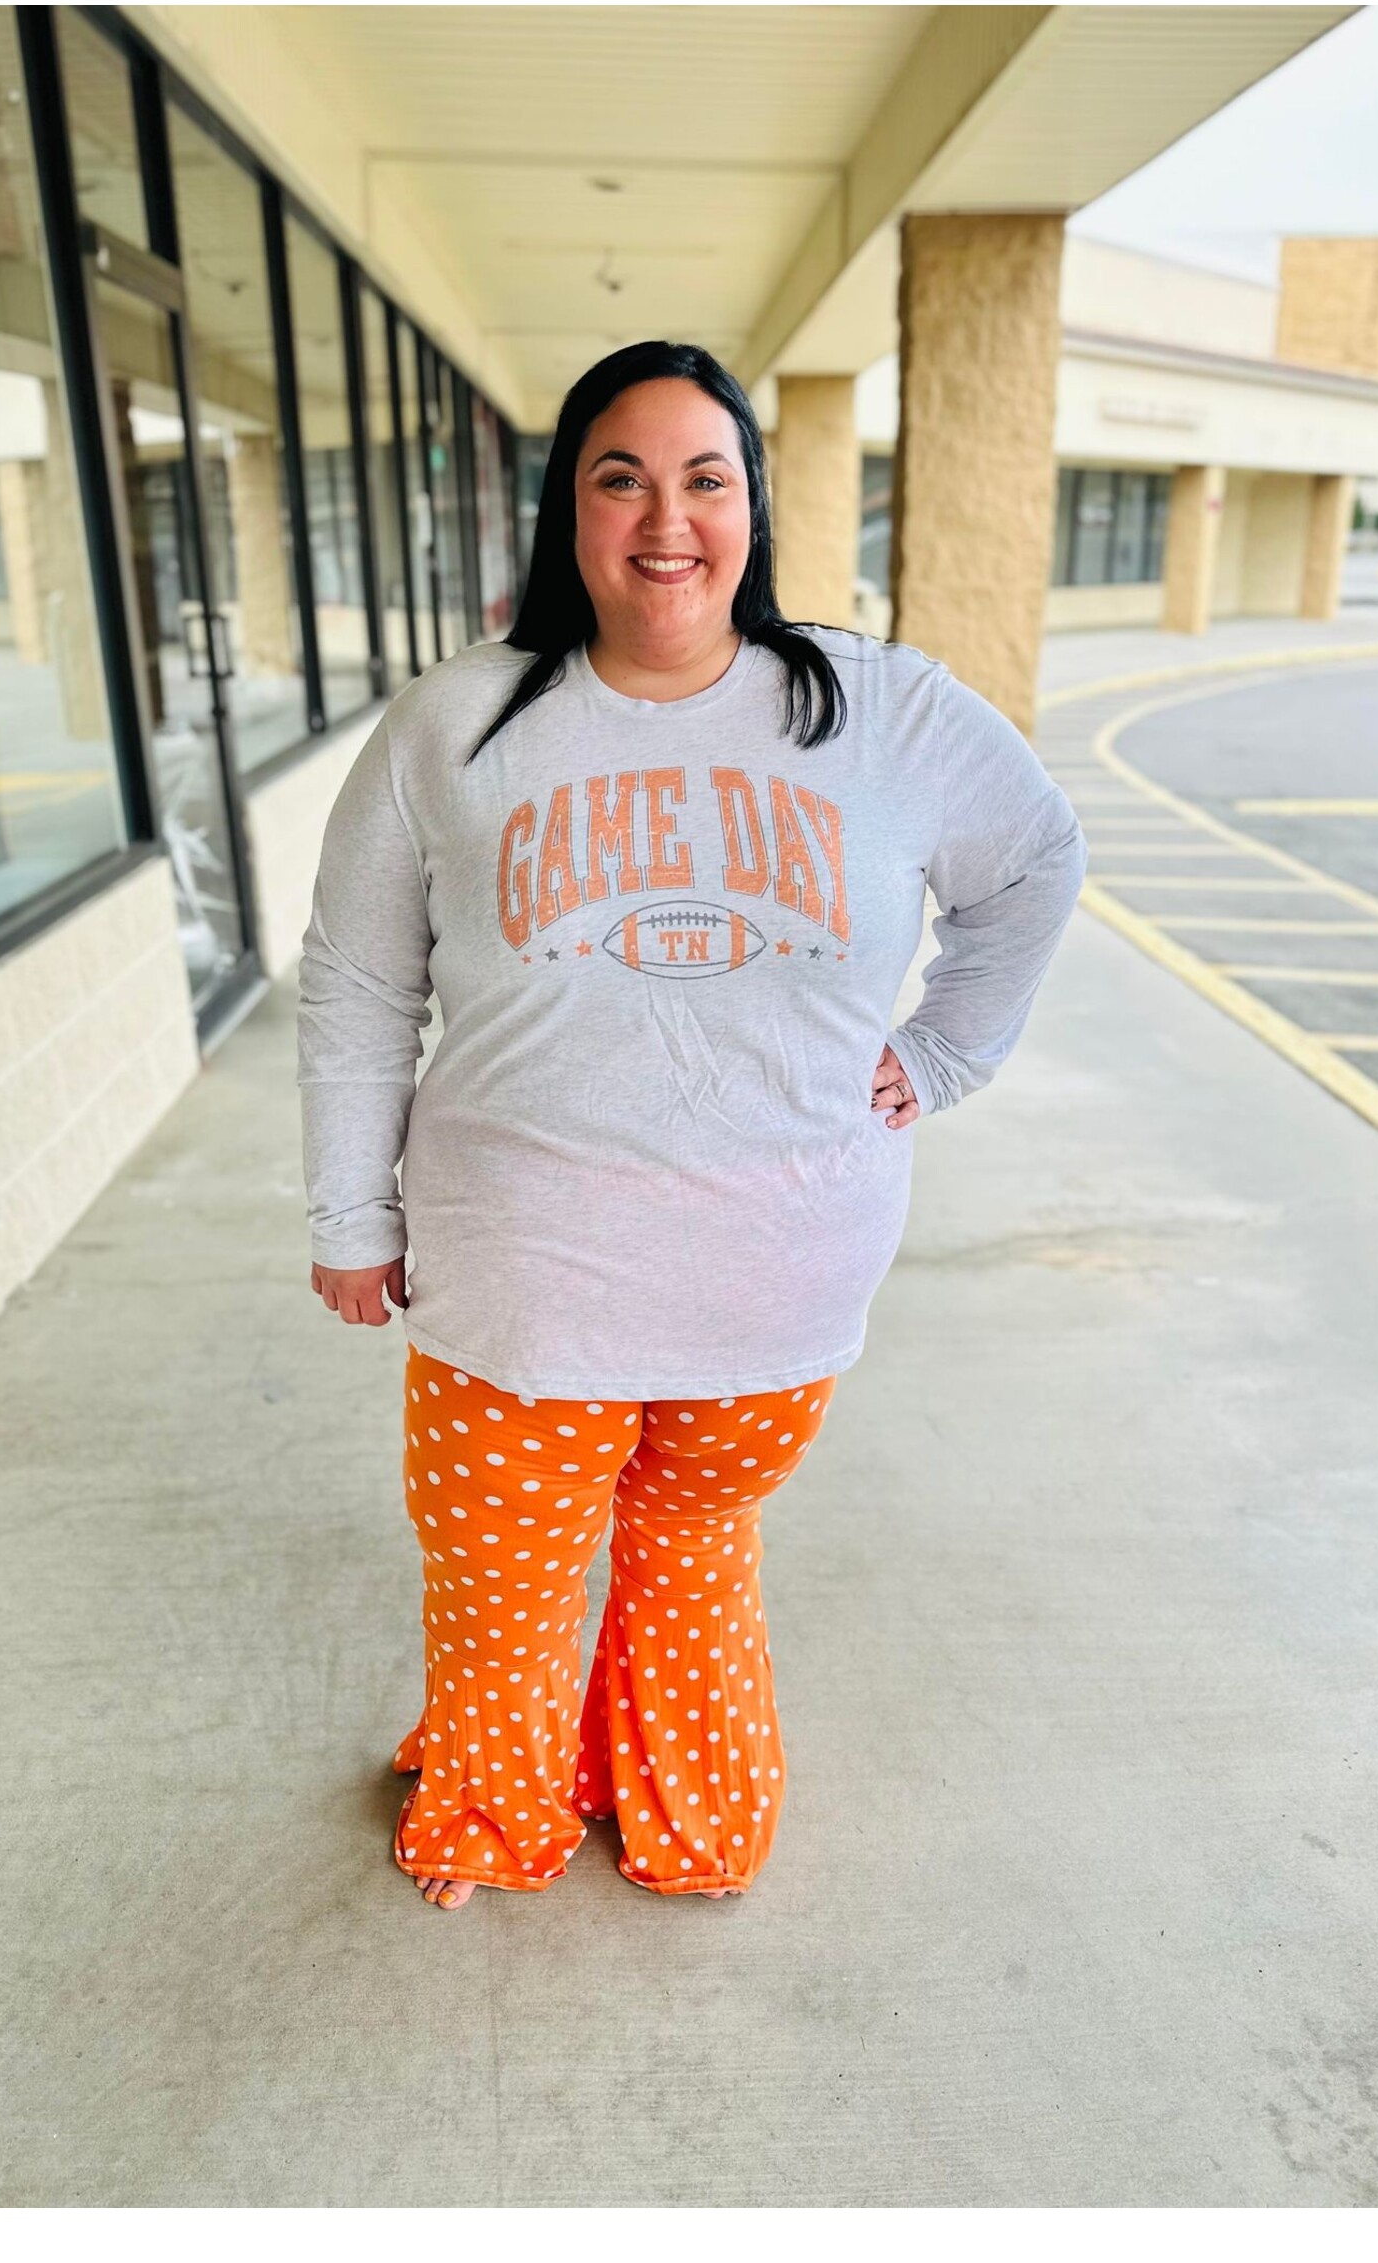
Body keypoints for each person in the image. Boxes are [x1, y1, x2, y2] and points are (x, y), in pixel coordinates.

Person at [297, 339, 1087, 1911]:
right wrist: (349, 1214)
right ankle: (505, 1809)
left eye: (705, 477)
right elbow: (357, 982)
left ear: (752, 506)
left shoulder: (881, 707)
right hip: (519, 1282)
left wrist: (941, 1057)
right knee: (508, 1586)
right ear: (566, 510)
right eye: (620, 475)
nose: (668, 519)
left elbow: (1038, 860)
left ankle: (682, 1814)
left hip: (775, 1285)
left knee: (685, 1553)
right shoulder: (450, 724)